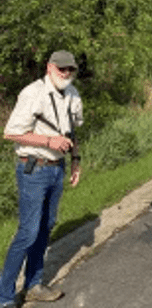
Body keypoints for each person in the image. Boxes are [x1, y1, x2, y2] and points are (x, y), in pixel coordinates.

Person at [0, 51, 83, 307]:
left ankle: (33, 285)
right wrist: (48, 141)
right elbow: (11, 133)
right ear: (49, 68)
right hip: (33, 169)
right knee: (28, 231)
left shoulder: (73, 94)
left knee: (46, 226)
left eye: (70, 69)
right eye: (61, 69)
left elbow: (72, 131)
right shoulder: (32, 93)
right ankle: (4, 296)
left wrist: (75, 162)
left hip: (57, 168)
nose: (66, 74)